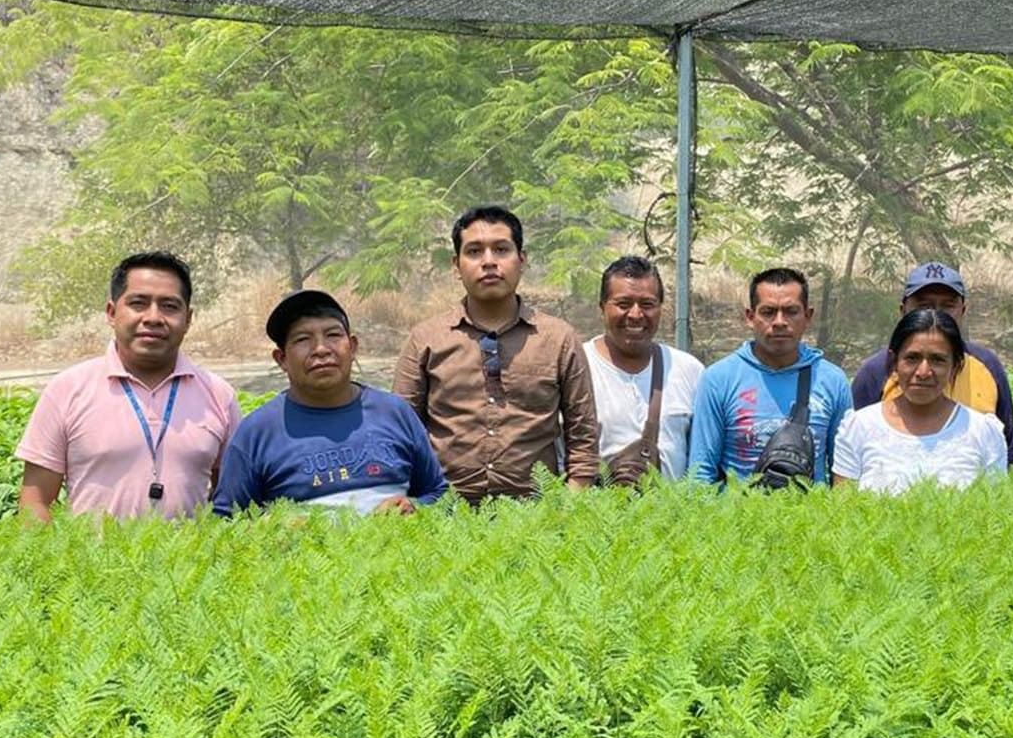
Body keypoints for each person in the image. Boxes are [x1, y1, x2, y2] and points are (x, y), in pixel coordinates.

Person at [393, 205, 600, 502]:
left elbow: (583, 434)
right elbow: (402, 431)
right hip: (443, 514)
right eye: (474, 251)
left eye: (501, 249)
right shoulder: (426, 339)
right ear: (456, 265)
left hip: (536, 516)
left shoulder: (558, 339)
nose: (489, 261)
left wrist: (567, 508)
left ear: (522, 259)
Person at [16, 251, 241, 520]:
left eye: (169, 306)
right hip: (91, 562)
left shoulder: (219, 395)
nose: (154, 317)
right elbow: (36, 502)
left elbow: (232, 502)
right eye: (138, 303)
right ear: (112, 313)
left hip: (190, 562)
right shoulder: (67, 390)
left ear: (188, 319)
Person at [213, 290, 447, 516]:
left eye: (333, 335)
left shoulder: (396, 413)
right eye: (303, 339)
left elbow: (439, 494)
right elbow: (227, 523)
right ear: (281, 358)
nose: (321, 349)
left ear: (353, 347)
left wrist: (415, 508)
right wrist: (272, 528)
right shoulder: (256, 433)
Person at [688, 267, 852, 487]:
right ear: (750, 317)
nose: (779, 321)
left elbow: (844, 472)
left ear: (808, 316)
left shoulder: (833, 381)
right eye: (768, 312)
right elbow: (700, 474)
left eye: (791, 311)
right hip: (737, 519)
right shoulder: (718, 379)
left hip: (814, 519)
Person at [849, 262, 1013, 467]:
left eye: (948, 305)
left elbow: (1009, 454)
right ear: (903, 310)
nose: (936, 314)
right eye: (924, 305)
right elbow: (854, 448)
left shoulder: (987, 366)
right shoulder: (876, 371)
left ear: (963, 310)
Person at [833, 309, 1008, 493]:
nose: (923, 372)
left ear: (955, 367)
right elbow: (843, 509)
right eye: (912, 358)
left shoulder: (982, 432)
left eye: (937, 360)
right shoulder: (859, 427)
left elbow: (994, 512)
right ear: (894, 362)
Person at [582, 256, 705, 483]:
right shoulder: (578, 367)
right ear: (602, 308)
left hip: (675, 515)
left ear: (661, 308)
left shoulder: (688, 370)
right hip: (594, 515)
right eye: (623, 304)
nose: (636, 315)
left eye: (647, 305)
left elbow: (703, 462)